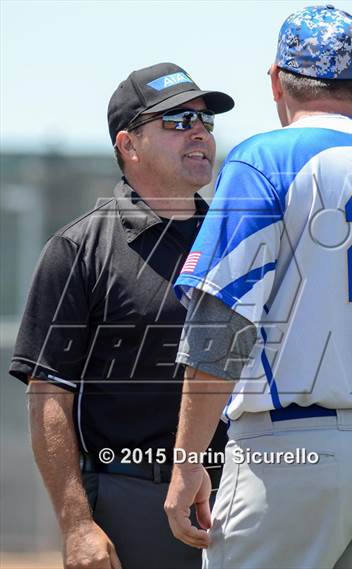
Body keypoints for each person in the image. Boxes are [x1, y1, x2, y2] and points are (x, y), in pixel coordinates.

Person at [164, 6, 352, 569]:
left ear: (276, 80)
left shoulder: (266, 158)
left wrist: (187, 461)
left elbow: (222, 321)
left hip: (294, 451)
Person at [9, 62, 234, 569]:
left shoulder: (235, 239)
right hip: (132, 500)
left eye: (204, 121)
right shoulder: (78, 249)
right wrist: (76, 524)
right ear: (129, 144)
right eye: (178, 121)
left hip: (242, 495)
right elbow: (48, 395)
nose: (199, 132)